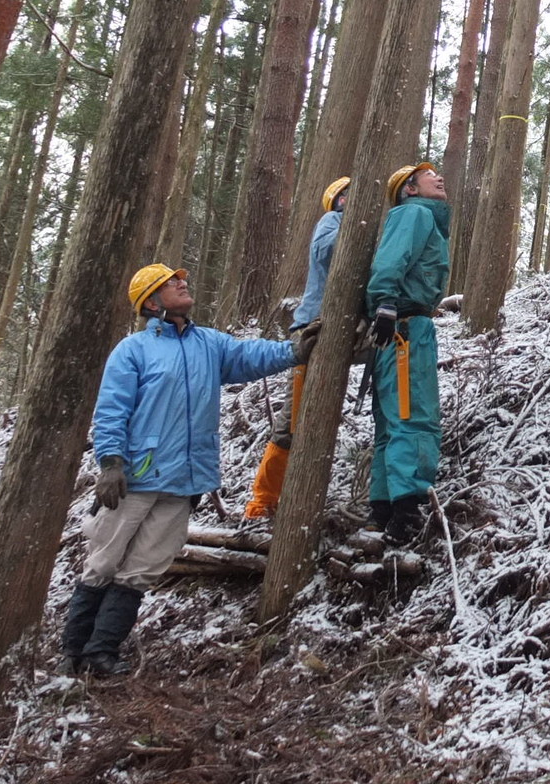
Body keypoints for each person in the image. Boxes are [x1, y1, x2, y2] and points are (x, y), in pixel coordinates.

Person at [58, 265, 316, 677]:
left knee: (141, 570)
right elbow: (111, 411)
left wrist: (295, 350)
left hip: (184, 481)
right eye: (170, 282)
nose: (182, 283)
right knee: (103, 562)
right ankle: (72, 654)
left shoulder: (208, 344)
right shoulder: (133, 350)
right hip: (134, 478)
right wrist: (109, 462)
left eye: (181, 279)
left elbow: (248, 356)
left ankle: (101, 654)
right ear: (152, 301)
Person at [244, 177, 349, 519]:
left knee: (313, 415)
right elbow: (328, 251)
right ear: (340, 200)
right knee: (292, 420)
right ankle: (263, 501)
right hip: (311, 330)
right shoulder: (332, 221)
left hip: (336, 328)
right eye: (351, 195)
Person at [366, 163, 450, 544]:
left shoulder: (419, 216)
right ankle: (406, 512)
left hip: (398, 327)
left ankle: (382, 510)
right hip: (405, 328)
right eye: (428, 173)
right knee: (413, 413)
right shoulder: (414, 213)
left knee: (392, 419)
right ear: (410, 189)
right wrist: (385, 301)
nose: (438, 175)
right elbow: (391, 258)